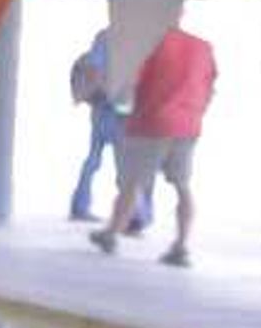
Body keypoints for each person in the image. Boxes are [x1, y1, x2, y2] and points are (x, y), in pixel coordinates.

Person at [92, 17, 216, 267]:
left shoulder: (147, 45)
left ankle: (111, 234)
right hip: (188, 124)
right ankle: (181, 245)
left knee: (132, 183)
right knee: (182, 185)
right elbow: (210, 86)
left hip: (152, 122)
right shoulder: (202, 47)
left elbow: (127, 84)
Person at [67, 25, 153, 234]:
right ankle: (136, 216)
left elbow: (94, 68)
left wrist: (84, 93)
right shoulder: (141, 35)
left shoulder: (105, 35)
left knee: (94, 158)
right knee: (126, 164)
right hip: (122, 109)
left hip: (102, 105)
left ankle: (80, 205)